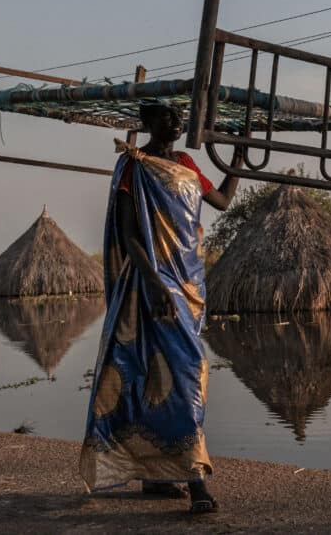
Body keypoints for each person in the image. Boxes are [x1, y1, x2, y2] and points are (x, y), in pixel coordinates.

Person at [80, 102, 243, 515]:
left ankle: (156, 474)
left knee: (162, 374)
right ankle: (196, 480)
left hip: (190, 283)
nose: (176, 122)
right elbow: (130, 233)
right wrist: (154, 283)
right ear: (148, 124)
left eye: (179, 116)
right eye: (167, 117)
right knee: (188, 371)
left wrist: (238, 159)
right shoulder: (135, 166)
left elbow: (221, 200)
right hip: (156, 285)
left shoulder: (187, 162)